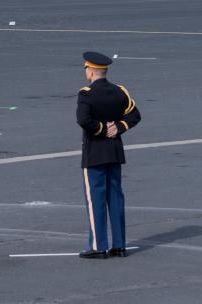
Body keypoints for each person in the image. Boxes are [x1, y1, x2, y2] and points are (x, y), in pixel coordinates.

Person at [76, 51, 142, 259]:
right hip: (114, 151)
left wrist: (101, 129)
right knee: (115, 197)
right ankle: (119, 244)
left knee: (96, 199)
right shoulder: (119, 91)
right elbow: (134, 115)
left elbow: (83, 120)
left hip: (95, 151)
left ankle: (98, 245)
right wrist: (119, 127)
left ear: (91, 71)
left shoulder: (86, 93)